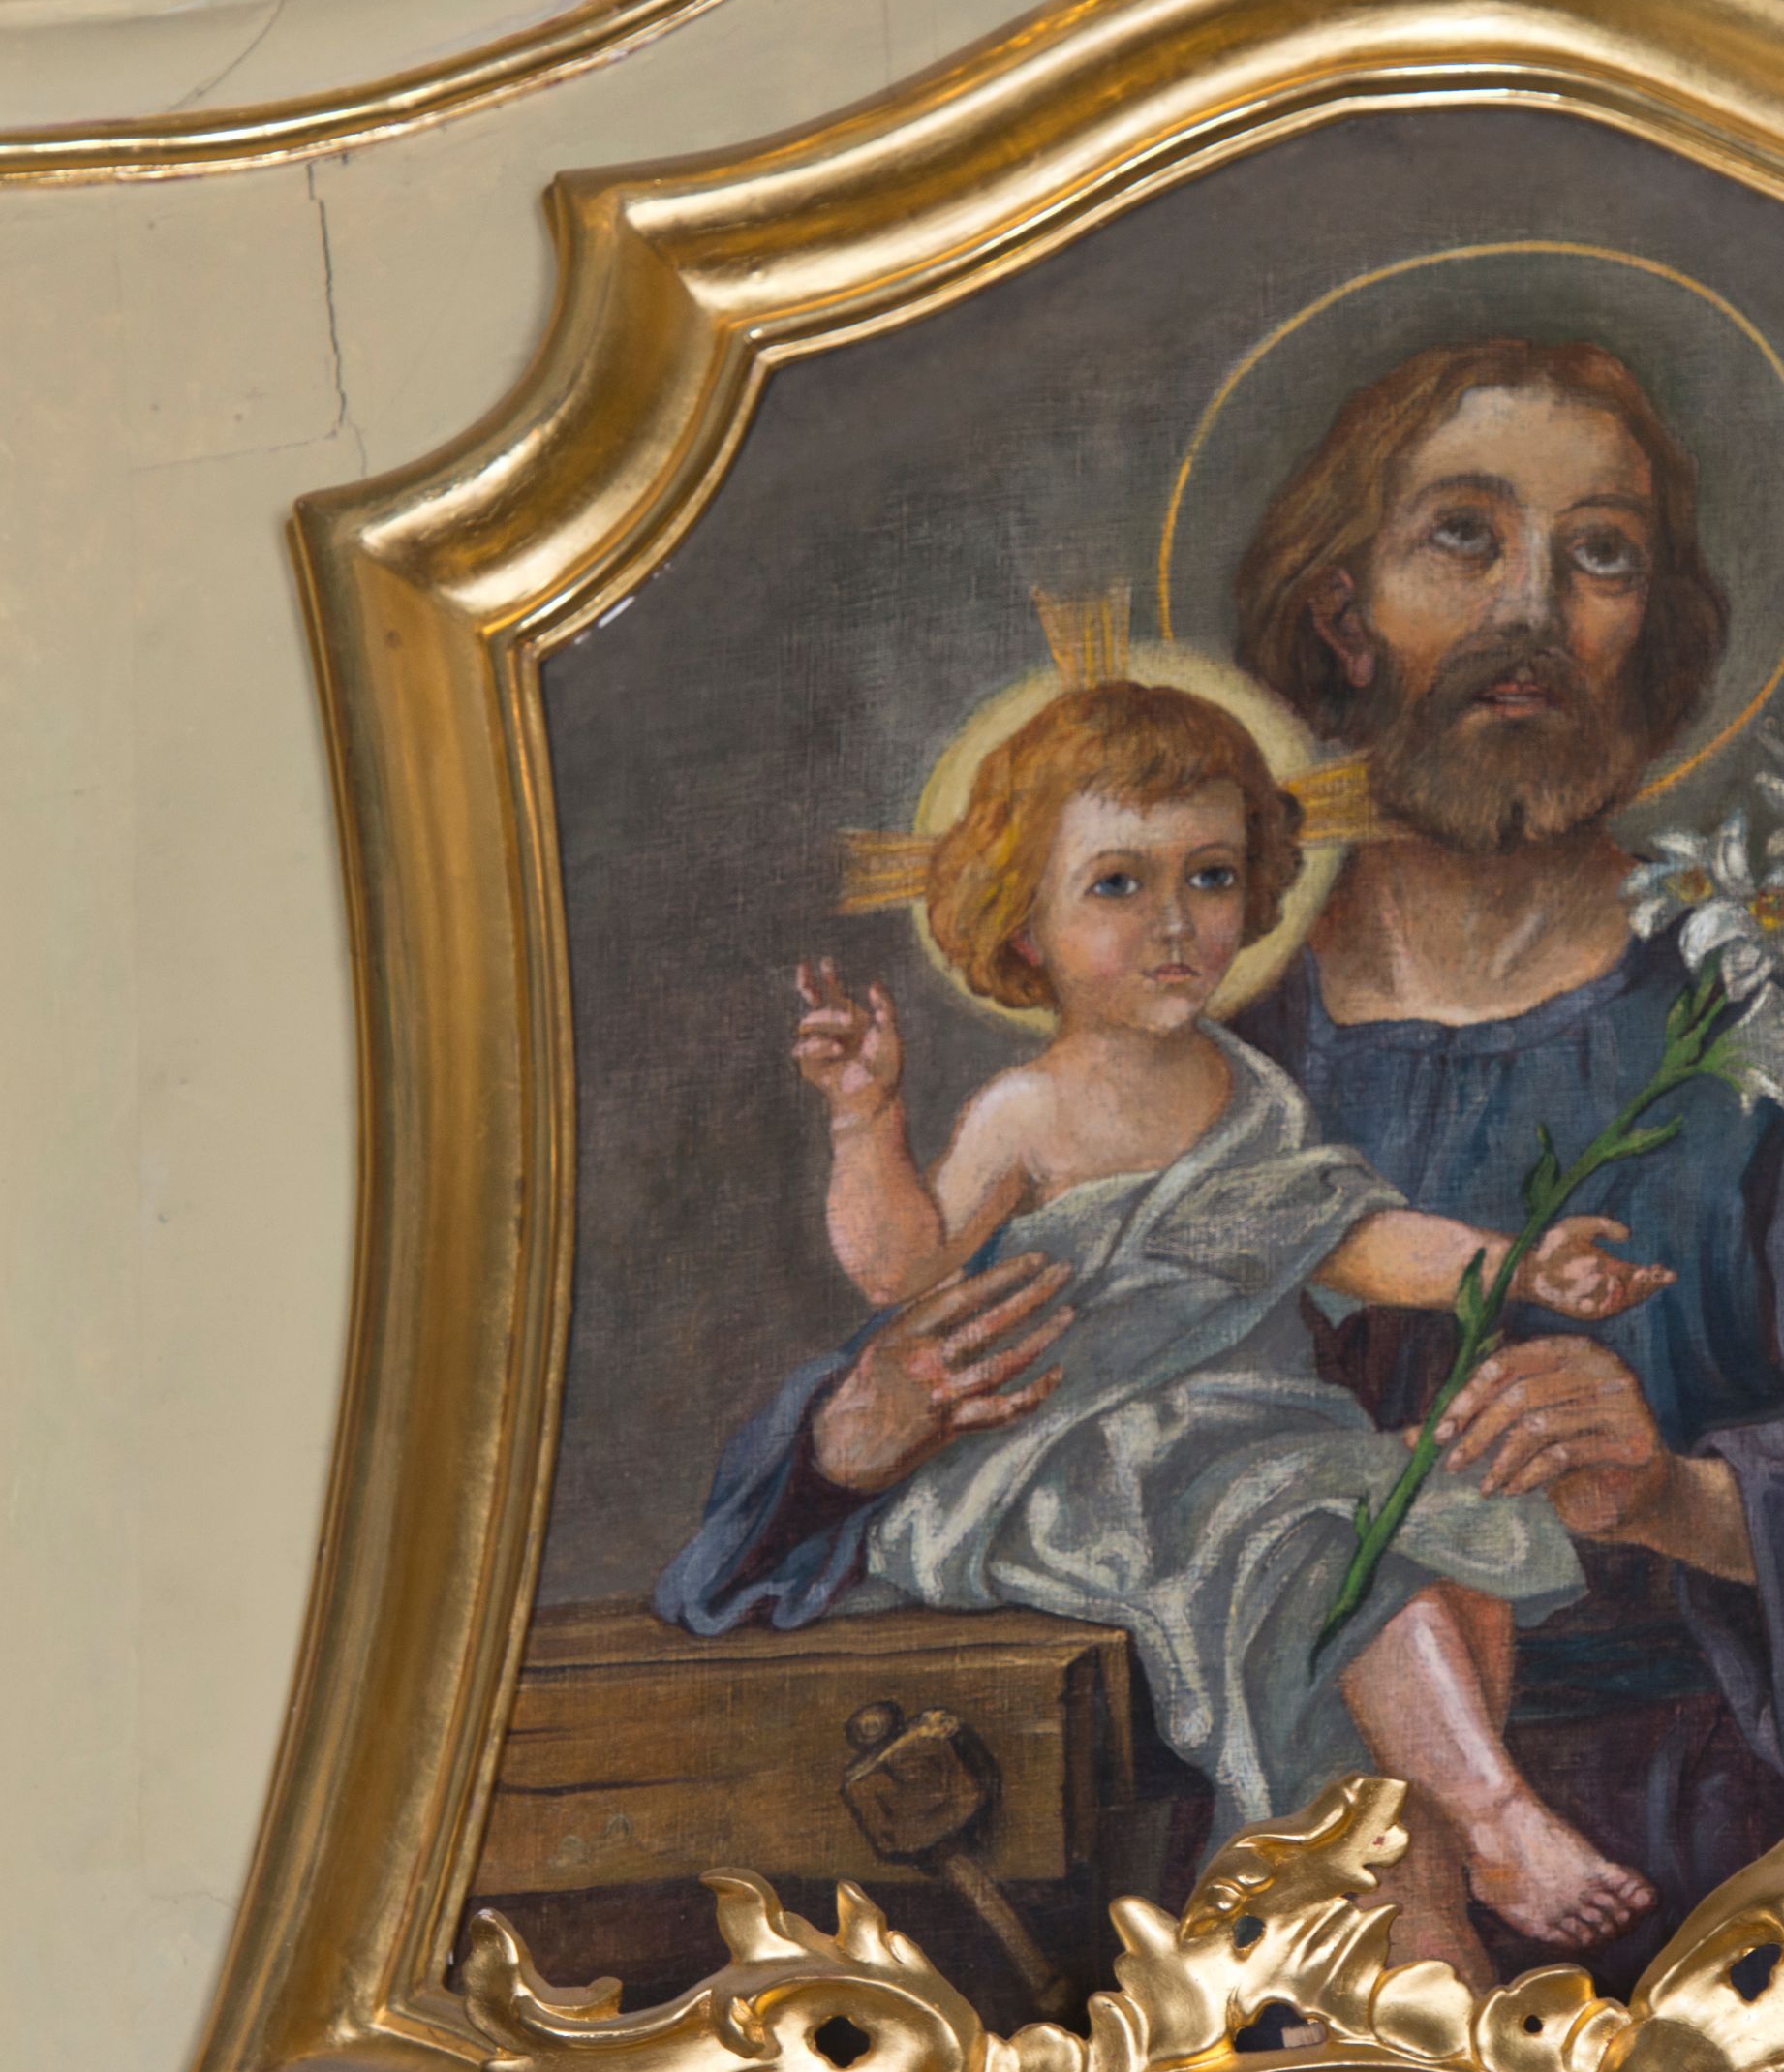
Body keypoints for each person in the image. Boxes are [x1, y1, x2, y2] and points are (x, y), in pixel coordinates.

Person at [672, 328, 1784, 1982]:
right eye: (1464, 536)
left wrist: (1687, 1499)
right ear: (1340, 614)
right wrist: (864, 1430)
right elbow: (806, 1506)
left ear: (1649, 631)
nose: (1535, 608)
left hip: (1739, 1891)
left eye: (1602, 555)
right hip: (1260, 1870)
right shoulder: (1179, 1076)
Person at [669, 677, 1665, 1975]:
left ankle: (1406, 1888)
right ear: (1023, 923)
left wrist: (1522, 1267)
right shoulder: (1028, 1112)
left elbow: (1359, 1242)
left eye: (1209, 876)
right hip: (1091, 1461)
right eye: (1117, 886)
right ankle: (1492, 1820)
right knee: (1319, 1531)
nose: (1175, 922)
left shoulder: (1251, 1094)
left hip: (1263, 1437)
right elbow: (902, 1267)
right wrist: (865, 1123)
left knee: (1441, 1516)